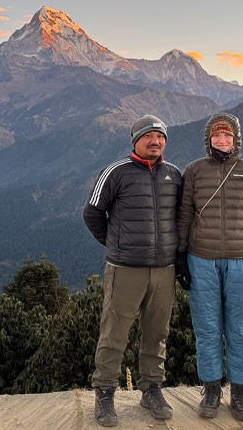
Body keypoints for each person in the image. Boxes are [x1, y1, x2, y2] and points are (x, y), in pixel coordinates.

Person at [83, 114, 182, 427]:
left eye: (160, 136)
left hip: (164, 269)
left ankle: (152, 388)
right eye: (149, 136)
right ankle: (105, 393)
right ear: (135, 140)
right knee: (114, 333)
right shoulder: (116, 171)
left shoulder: (174, 174)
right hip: (125, 269)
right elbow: (93, 213)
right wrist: (116, 245)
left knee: (157, 332)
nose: (155, 141)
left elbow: (181, 217)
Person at [176, 113, 243, 421]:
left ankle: (241, 391)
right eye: (217, 136)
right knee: (206, 328)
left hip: (242, 260)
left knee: (241, 330)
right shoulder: (193, 171)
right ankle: (212, 389)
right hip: (200, 258)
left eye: (228, 136)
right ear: (208, 140)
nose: (222, 140)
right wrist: (180, 257)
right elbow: (185, 215)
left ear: (237, 139)